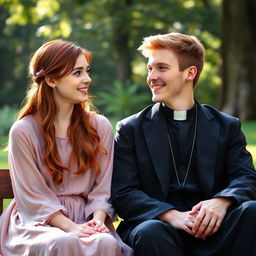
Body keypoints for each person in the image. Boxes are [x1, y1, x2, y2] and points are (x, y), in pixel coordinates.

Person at [111, 32, 256, 256]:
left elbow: (246, 177)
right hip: (160, 227)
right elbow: (123, 192)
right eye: (150, 68)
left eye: (161, 68)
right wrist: (171, 215)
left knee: (252, 211)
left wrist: (221, 201)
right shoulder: (131, 129)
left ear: (190, 73)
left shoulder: (227, 126)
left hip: (215, 229)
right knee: (150, 231)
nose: (151, 76)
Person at [0, 40, 133, 256]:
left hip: (87, 218)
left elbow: (103, 188)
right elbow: (34, 198)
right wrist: (71, 227)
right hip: (38, 222)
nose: (87, 79)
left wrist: (98, 222)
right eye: (77, 73)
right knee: (63, 242)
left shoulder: (99, 127)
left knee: (105, 243)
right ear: (52, 80)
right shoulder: (24, 132)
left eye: (87, 71)